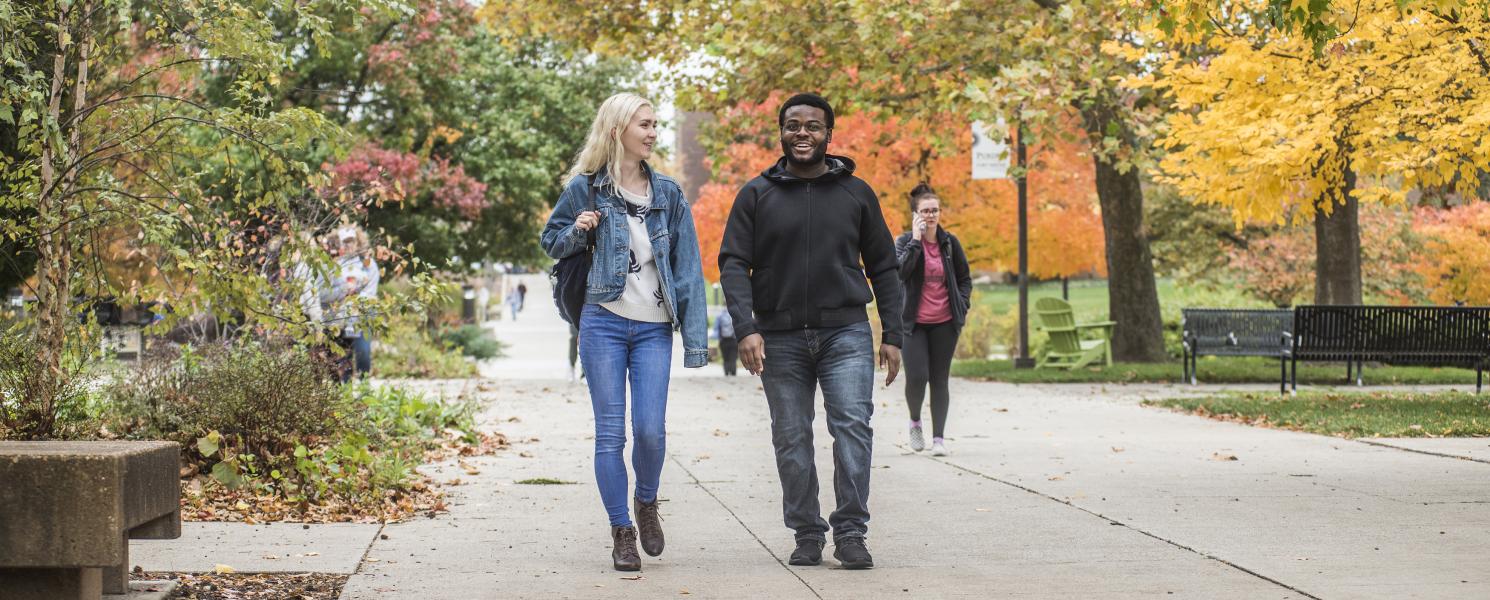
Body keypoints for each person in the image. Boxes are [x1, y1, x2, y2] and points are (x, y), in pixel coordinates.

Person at [718, 93, 904, 570]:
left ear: (828, 135)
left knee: (852, 431)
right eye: (793, 125)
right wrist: (746, 328)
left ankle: (850, 532)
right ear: (781, 133)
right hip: (778, 339)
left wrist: (893, 334)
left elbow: (884, 266)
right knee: (792, 437)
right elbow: (734, 264)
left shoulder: (856, 193)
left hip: (846, 333)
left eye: (813, 126)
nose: (803, 133)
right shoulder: (756, 194)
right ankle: (806, 532)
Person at [540, 92, 708, 572]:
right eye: (645, 125)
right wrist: (578, 229)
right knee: (610, 435)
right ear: (617, 130)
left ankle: (647, 501)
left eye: (656, 125)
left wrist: (696, 343)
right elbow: (551, 242)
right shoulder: (585, 189)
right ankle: (621, 530)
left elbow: (688, 268)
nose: (653, 133)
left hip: (654, 328)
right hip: (603, 323)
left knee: (651, 433)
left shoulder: (670, 195)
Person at [894, 183, 972, 456]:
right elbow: (901, 273)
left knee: (940, 379)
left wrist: (962, 304)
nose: (931, 215)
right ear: (915, 213)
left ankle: (939, 439)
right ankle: (915, 421)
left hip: (945, 322)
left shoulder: (950, 243)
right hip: (913, 323)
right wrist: (916, 241)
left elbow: (964, 278)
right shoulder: (904, 242)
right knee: (917, 377)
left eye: (935, 210)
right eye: (925, 210)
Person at [714, 307, 737, 376]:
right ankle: (733, 372)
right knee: (733, 357)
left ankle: (726, 372)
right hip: (733, 339)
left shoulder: (720, 316)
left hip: (723, 340)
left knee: (725, 357)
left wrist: (718, 339)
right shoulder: (734, 314)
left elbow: (716, 329)